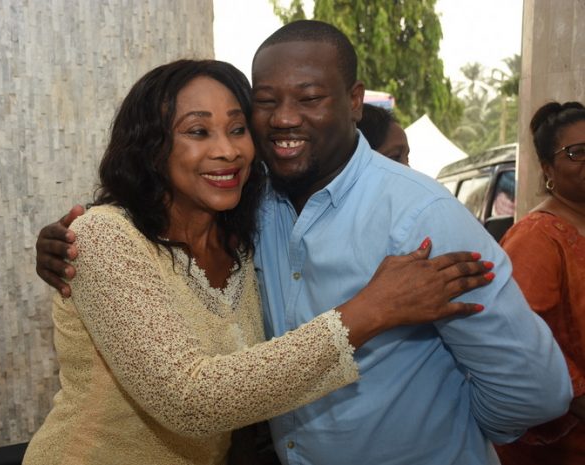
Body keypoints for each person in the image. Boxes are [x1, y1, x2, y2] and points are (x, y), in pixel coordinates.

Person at [35, 21, 572, 465]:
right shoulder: (245, 218)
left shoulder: (417, 216)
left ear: (355, 101)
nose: (283, 119)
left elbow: (534, 389)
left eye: (236, 128)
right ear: (151, 144)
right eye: (200, 131)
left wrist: (442, 435)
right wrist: (369, 311)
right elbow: (193, 397)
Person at [495, 101, 585, 465]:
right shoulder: (536, 238)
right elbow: (524, 339)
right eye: (577, 152)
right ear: (547, 168)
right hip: (559, 442)